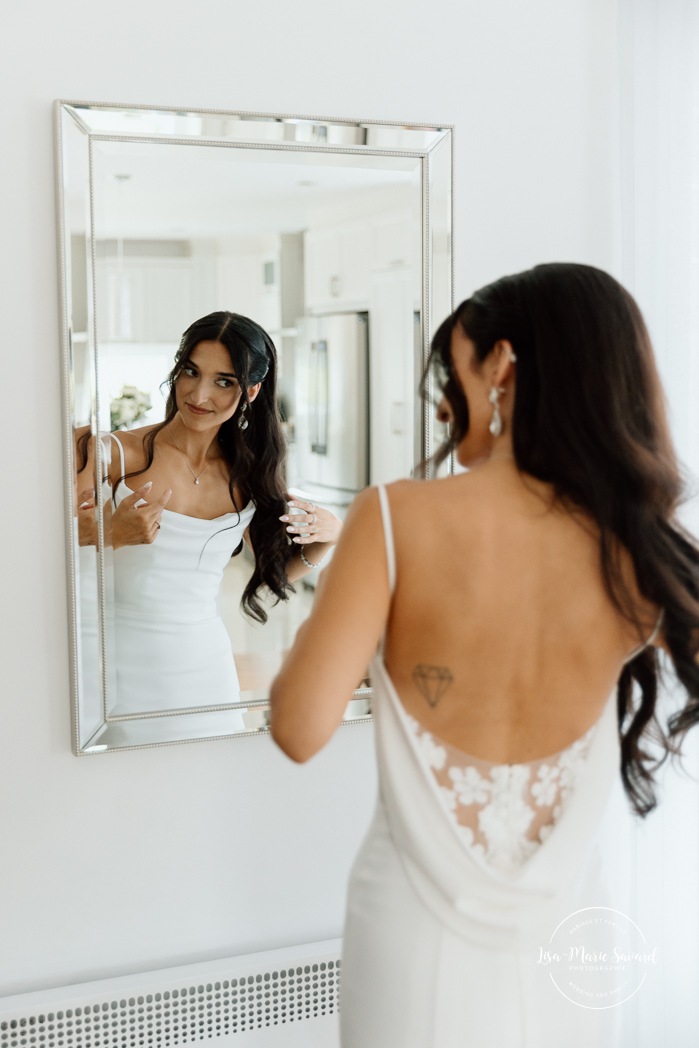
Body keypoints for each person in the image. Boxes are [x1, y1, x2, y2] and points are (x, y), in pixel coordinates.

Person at [269, 263, 699, 1046]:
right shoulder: (637, 548)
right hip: (570, 937)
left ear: (500, 366)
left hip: (410, 938)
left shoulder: (394, 518)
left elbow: (299, 727)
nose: (441, 402)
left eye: (451, 371)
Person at [77, 311, 341, 714]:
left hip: (206, 667)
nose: (199, 396)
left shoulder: (249, 473)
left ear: (251, 391)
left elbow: (274, 572)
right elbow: (32, 541)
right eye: (190, 372)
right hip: (112, 665)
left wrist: (327, 539)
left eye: (224, 382)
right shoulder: (108, 453)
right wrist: (109, 532)